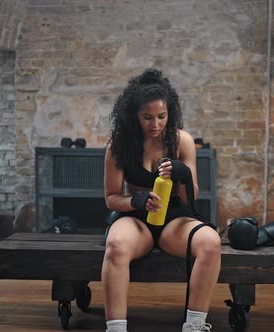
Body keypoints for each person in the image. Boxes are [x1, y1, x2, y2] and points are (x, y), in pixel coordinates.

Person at [102, 68, 221, 332]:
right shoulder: (119, 146)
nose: (155, 124)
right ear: (134, 115)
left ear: (170, 113)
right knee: (116, 245)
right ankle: (116, 329)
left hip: (174, 220)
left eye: (161, 117)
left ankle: (194, 326)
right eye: (147, 117)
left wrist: (183, 174)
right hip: (137, 220)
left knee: (211, 243)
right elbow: (111, 198)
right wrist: (136, 200)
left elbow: (191, 198)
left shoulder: (182, 141)